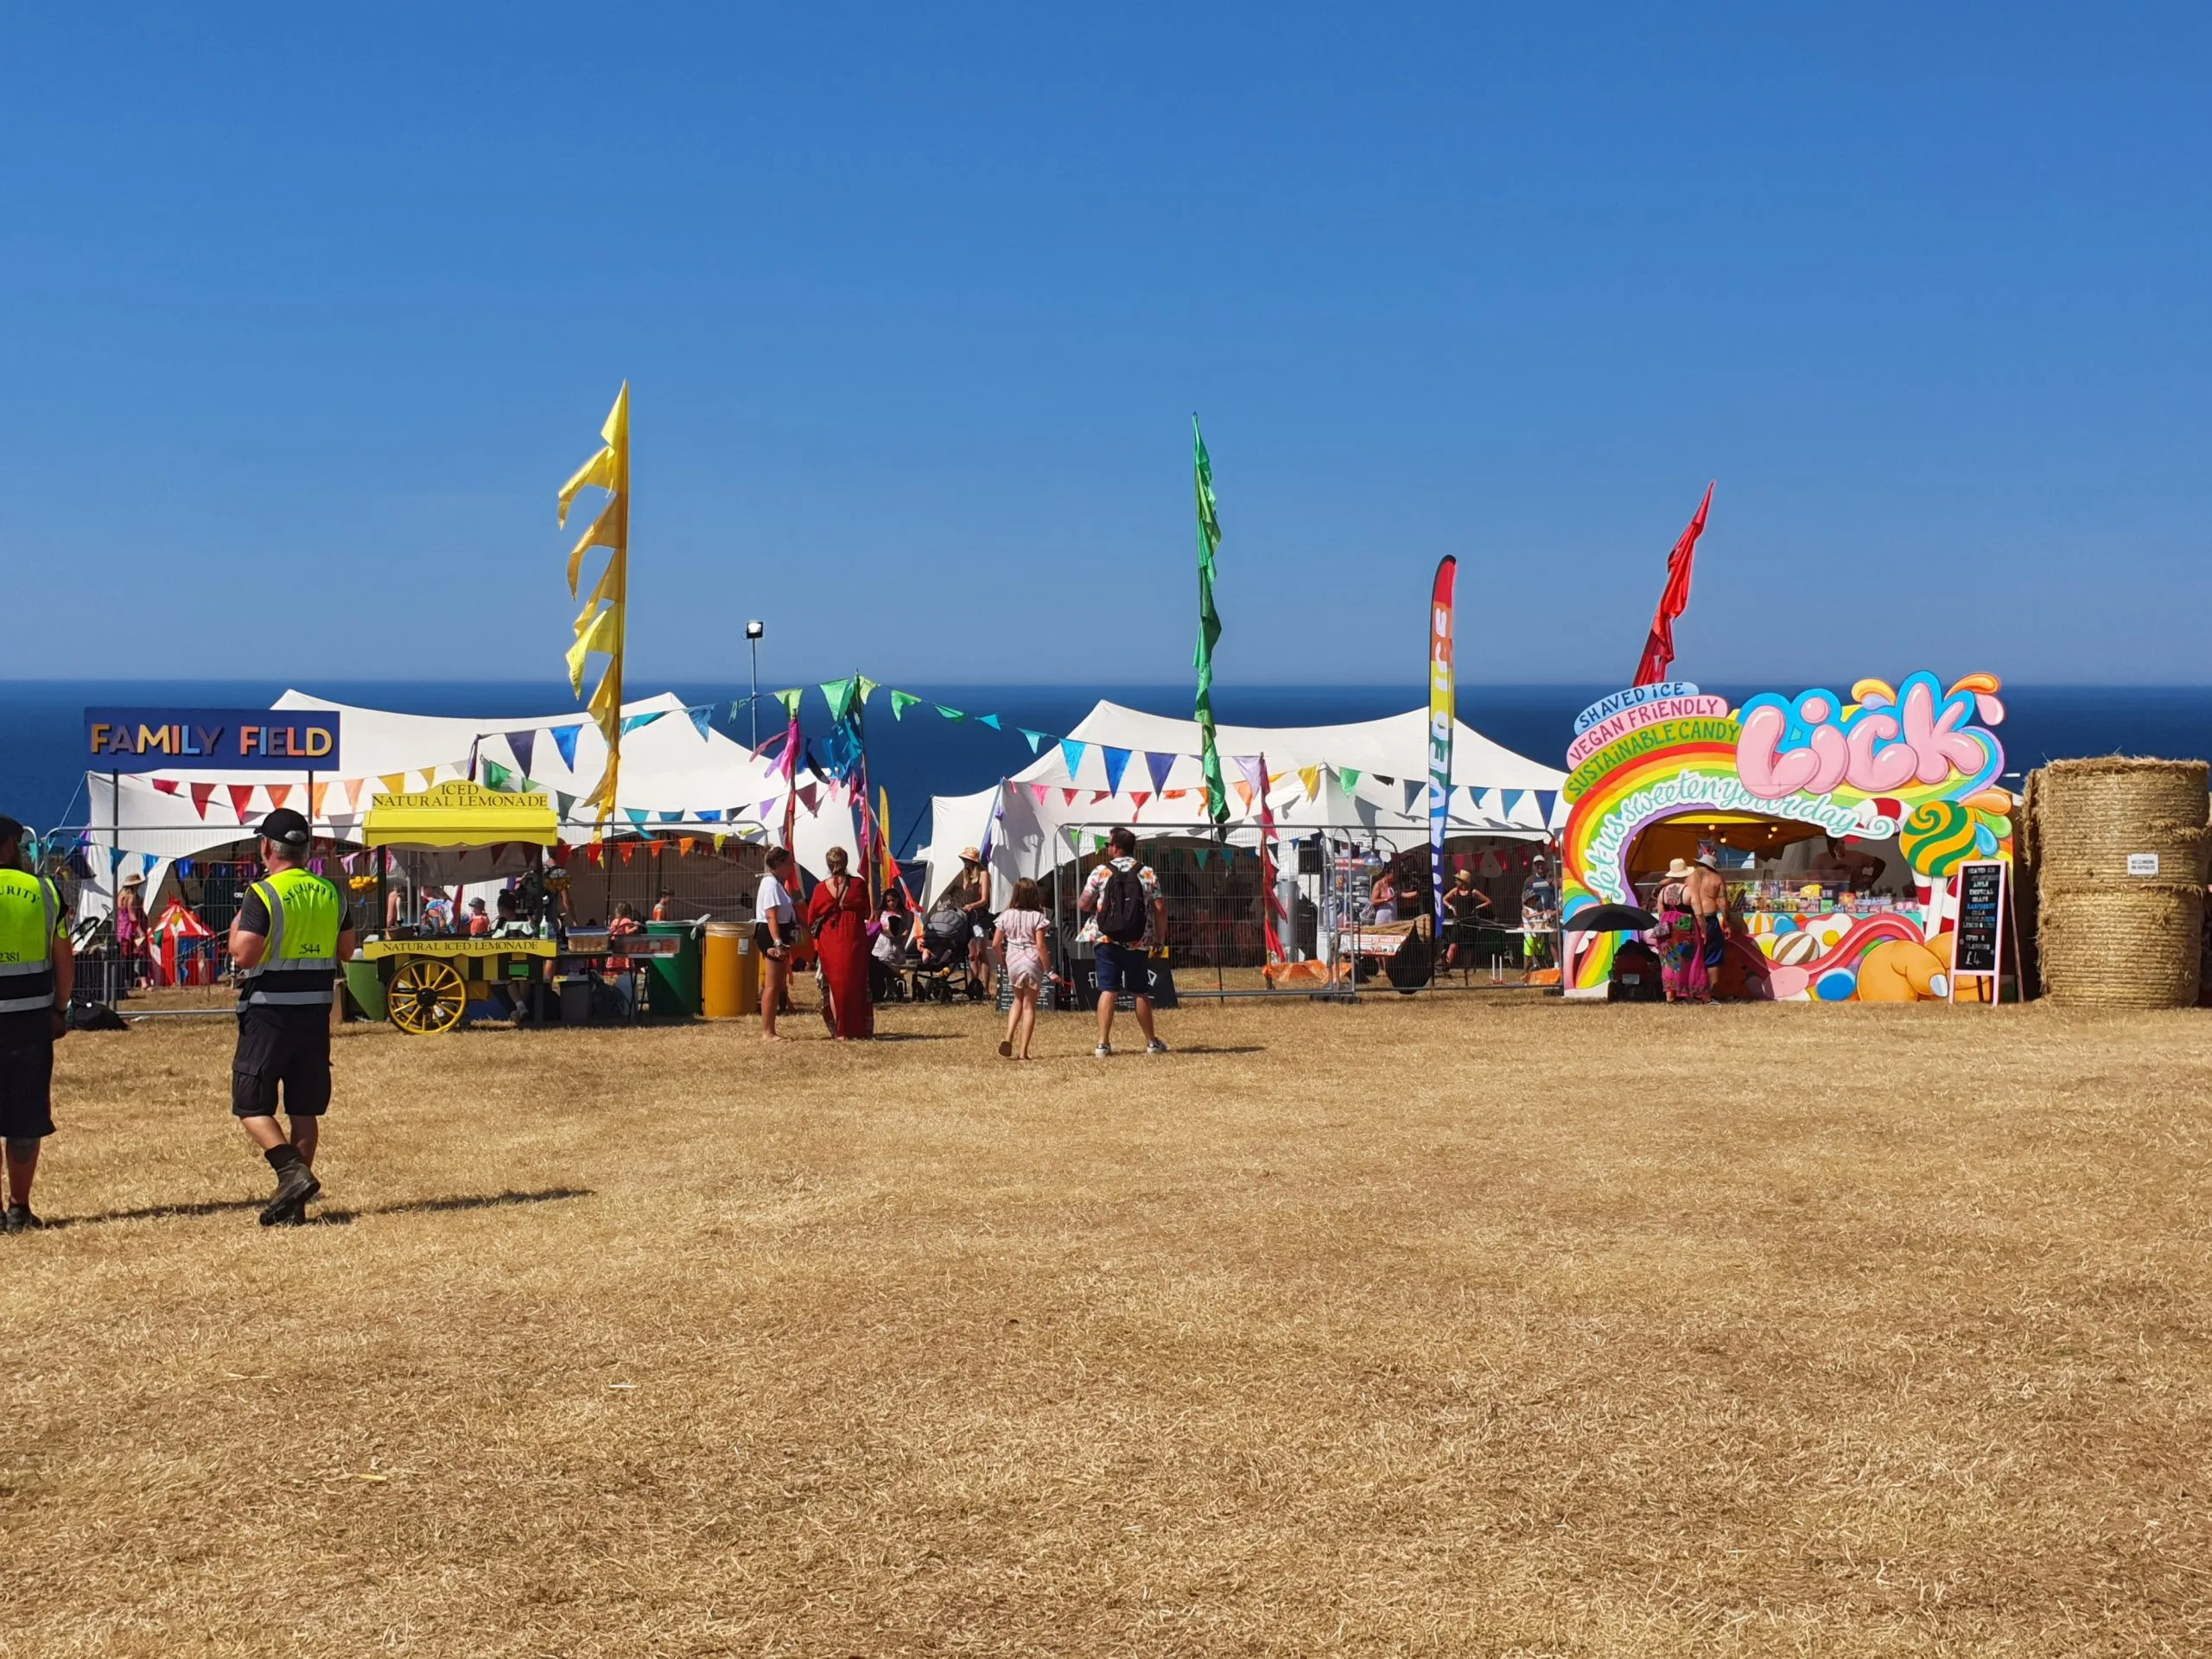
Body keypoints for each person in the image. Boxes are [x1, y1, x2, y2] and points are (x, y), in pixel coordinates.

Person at [228, 809, 355, 1225]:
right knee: (303, 1109)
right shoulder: (331, 893)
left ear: (267, 847)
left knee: (250, 1105)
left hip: (268, 1011)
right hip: (315, 1012)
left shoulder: (263, 893)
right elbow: (346, 950)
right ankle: (293, 1206)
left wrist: (235, 929)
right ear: (307, 850)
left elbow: (245, 955)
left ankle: (290, 1171)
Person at [0, 815, 73, 1231]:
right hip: (29, 1020)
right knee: (25, 1118)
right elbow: (63, 958)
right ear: (11, 846)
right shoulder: (44, 891)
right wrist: (59, 1009)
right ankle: (19, 1208)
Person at [1077, 827, 1166, 1058]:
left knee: (1108, 989)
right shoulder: (1146, 872)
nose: (1107, 848)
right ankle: (1151, 1042)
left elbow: (1084, 904)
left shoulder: (1101, 871)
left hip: (1106, 938)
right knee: (1140, 991)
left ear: (1116, 847)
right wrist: (1159, 938)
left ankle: (1103, 1044)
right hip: (1138, 939)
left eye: (1108, 845)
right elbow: (1159, 907)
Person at [804, 846, 873, 1039]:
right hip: (853, 938)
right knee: (855, 983)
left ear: (828, 864)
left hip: (830, 939)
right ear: (846, 862)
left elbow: (811, 918)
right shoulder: (858, 884)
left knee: (835, 985)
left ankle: (840, 1030)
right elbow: (867, 912)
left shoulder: (820, 888)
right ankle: (856, 1029)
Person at [992, 877, 1052, 1059]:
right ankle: (1023, 1052)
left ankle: (1008, 1036)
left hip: (1013, 961)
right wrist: (1049, 970)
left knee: (1017, 1000)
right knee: (1029, 1006)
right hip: (1032, 961)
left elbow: (995, 943)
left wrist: (1002, 961)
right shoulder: (1038, 917)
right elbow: (1040, 946)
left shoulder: (1006, 915)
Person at [1649, 858, 1711, 1003]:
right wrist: (1703, 930)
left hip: (1667, 929)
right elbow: (1699, 914)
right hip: (1685, 926)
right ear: (1686, 874)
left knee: (1670, 962)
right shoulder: (1690, 890)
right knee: (1690, 959)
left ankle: (1670, 994)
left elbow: (1661, 914)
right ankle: (1692, 992)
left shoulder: (1662, 892)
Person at [754, 847, 798, 1041]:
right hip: (772, 935)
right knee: (772, 986)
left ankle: (771, 1029)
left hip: (780, 934)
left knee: (777, 984)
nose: (791, 867)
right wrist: (778, 942)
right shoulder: (770, 884)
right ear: (779, 864)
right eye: (788, 863)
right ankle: (768, 1032)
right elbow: (771, 916)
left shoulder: (778, 884)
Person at [955, 848, 995, 996]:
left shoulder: (983, 874)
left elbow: (984, 899)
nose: (965, 862)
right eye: (964, 860)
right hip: (968, 917)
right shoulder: (966, 875)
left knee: (980, 953)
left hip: (980, 917)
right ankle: (974, 986)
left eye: (967, 860)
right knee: (972, 955)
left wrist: (972, 905)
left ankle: (986, 988)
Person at [1443, 868, 1493, 974]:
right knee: (1453, 945)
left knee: (1468, 947)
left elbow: (1488, 901)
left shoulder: (1473, 892)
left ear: (1463, 881)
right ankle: (1446, 966)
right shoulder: (1455, 891)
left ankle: (1467, 968)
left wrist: (1477, 907)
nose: (1456, 882)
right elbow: (1444, 899)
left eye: (1457, 880)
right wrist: (1451, 907)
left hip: (1470, 922)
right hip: (1458, 922)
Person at [1685, 851, 1730, 971]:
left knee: (1692, 958)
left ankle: (1695, 983)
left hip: (1691, 920)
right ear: (1712, 867)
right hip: (1709, 920)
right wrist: (1726, 924)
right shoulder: (1717, 879)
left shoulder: (1688, 878)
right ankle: (1712, 984)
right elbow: (1723, 903)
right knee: (1712, 960)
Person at [114, 870, 149, 992]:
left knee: (126, 957)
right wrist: (140, 931)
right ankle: (143, 983)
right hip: (131, 930)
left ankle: (127, 983)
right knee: (140, 954)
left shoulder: (120, 895)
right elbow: (132, 915)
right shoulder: (132, 896)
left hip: (121, 929)